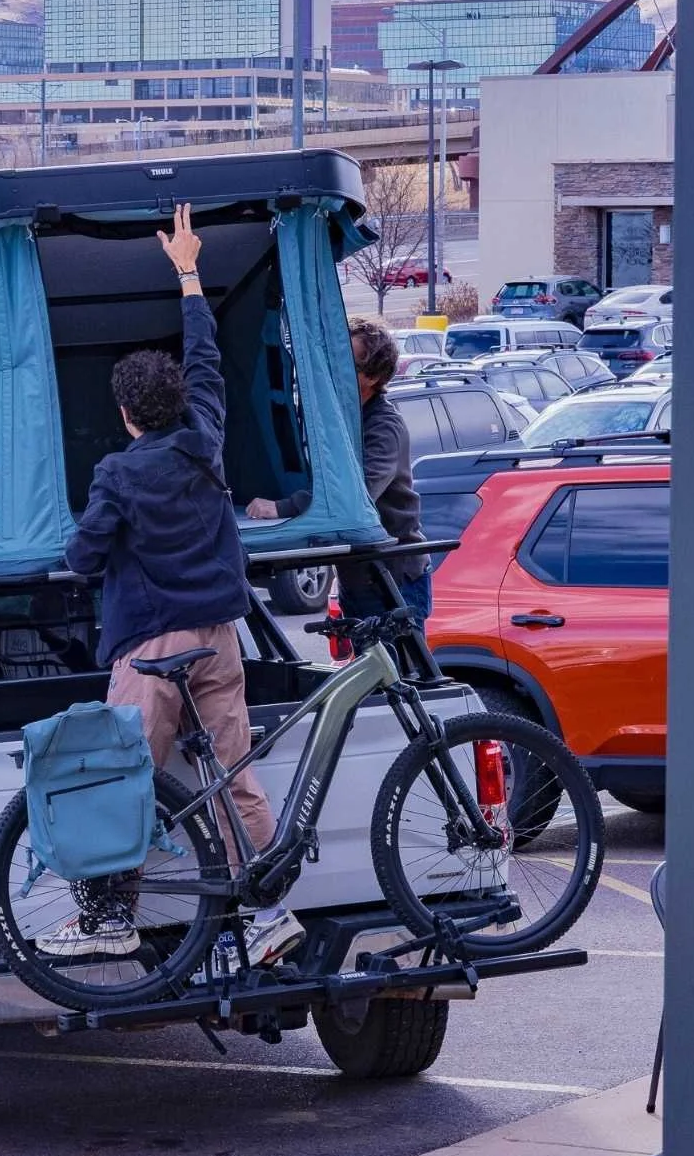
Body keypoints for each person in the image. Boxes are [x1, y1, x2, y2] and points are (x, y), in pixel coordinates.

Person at [62, 204, 303, 968]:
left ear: (127, 415)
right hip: (219, 637)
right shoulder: (205, 434)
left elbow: (83, 557)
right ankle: (270, 914)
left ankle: (110, 918)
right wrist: (189, 272)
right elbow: (203, 359)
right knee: (236, 777)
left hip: (152, 645)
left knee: (121, 779)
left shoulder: (119, 473)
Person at [247, 315, 431, 622]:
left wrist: (282, 508)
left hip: (393, 578)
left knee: (397, 670)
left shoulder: (384, 426)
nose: (335, 369)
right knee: (366, 666)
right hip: (357, 578)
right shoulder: (344, 420)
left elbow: (354, 497)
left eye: (348, 363)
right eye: (334, 359)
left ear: (372, 377)